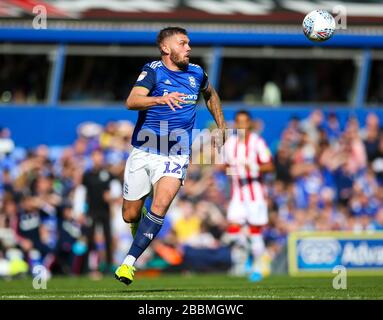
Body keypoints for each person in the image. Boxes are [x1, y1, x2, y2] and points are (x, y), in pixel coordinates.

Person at [114, 26, 226, 286]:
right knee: (130, 215)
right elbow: (132, 101)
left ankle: (128, 264)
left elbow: (211, 95)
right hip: (144, 148)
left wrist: (221, 126)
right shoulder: (153, 70)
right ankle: (139, 228)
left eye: (189, 43)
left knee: (161, 204)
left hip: (176, 152)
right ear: (166, 48)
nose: (189, 48)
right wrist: (160, 100)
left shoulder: (197, 73)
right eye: (183, 43)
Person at [223, 110, 274, 281]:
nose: (242, 124)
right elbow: (225, 167)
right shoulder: (230, 144)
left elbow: (270, 166)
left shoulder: (257, 142)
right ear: (236, 124)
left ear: (249, 123)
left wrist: (252, 168)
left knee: (255, 232)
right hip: (237, 195)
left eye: (245, 121)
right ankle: (244, 260)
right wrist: (233, 170)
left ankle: (258, 267)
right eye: (239, 121)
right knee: (232, 230)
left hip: (255, 196)